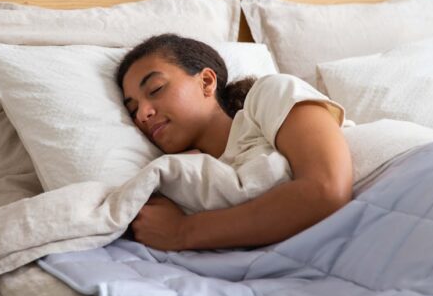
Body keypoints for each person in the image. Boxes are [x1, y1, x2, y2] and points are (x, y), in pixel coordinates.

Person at [117, 34, 353, 251]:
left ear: (207, 82)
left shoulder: (269, 94)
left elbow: (327, 189)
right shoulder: (186, 181)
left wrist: (183, 231)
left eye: (156, 89)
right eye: (133, 109)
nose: (142, 114)